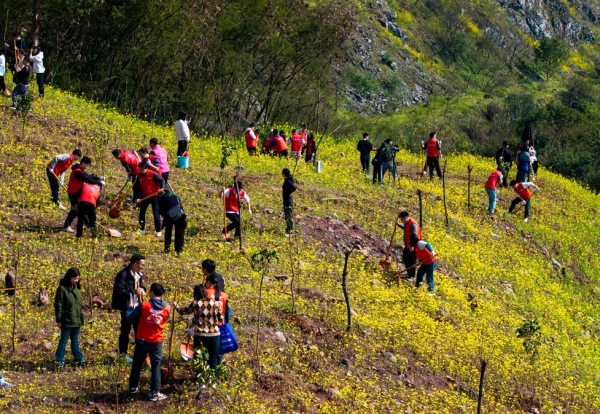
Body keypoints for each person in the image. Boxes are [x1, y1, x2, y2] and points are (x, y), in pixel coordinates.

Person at [127, 283, 169, 401]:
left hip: (142, 339)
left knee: (137, 364)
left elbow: (130, 317)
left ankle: (133, 387)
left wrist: (130, 307)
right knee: (156, 367)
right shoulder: (167, 307)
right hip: (157, 340)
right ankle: (154, 392)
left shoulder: (144, 305)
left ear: (152, 292)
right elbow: (165, 319)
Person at [175, 284, 224, 382]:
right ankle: (212, 381)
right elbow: (220, 319)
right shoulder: (215, 304)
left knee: (200, 358)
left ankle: (201, 381)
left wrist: (176, 306)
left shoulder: (195, 304)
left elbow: (183, 311)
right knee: (213, 359)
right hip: (214, 335)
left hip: (200, 335)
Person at [111, 253, 147, 362]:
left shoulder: (139, 275)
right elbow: (119, 291)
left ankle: (139, 354)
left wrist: (143, 290)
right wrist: (133, 292)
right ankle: (123, 355)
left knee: (139, 331)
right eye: (141, 264)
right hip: (127, 307)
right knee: (125, 331)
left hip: (137, 306)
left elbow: (142, 286)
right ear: (135, 264)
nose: (142, 266)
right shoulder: (123, 275)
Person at [63, 157, 104, 232]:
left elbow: (88, 176)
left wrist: (98, 178)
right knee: (75, 210)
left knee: (80, 209)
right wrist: (98, 183)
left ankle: (88, 225)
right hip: (74, 193)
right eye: (86, 165)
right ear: (83, 163)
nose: (86, 167)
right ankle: (66, 226)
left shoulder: (80, 170)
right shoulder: (77, 172)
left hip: (78, 192)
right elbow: (86, 179)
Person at [54, 267, 84, 367]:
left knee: (75, 340)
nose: (76, 280)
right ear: (69, 278)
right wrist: (58, 320)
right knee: (64, 340)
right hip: (67, 320)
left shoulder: (77, 288)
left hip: (76, 319)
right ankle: (59, 361)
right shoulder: (62, 289)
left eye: (78, 278)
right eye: (74, 278)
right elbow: (58, 305)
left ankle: (79, 359)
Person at [136, 162, 165, 236]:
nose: (141, 171)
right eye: (140, 169)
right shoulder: (139, 176)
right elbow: (138, 188)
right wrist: (138, 197)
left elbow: (162, 180)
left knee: (156, 213)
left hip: (154, 195)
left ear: (146, 168)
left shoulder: (152, 174)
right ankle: (142, 229)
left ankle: (158, 231)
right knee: (142, 213)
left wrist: (162, 188)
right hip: (145, 197)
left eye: (142, 169)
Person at [157, 189, 187, 254]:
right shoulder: (175, 196)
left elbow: (161, 211)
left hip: (170, 216)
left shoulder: (161, 198)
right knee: (180, 234)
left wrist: (164, 222)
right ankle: (179, 251)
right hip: (181, 215)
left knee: (168, 232)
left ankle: (167, 249)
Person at [399, 211, 421, 280]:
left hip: (413, 246)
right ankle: (410, 274)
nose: (402, 221)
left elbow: (414, 236)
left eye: (402, 220)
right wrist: (398, 224)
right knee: (405, 259)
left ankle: (412, 276)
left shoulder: (413, 224)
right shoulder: (407, 223)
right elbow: (405, 228)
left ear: (405, 217)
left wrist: (412, 246)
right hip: (408, 245)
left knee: (412, 261)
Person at [282, 168, 297, 234]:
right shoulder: (286, 180)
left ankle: (291, 230)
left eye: (282, 173)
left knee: (289, 214)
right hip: (286, 200)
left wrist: (289, 193)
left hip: (288, 200)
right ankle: (288, 229)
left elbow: (294, 187)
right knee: (287, 215)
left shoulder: (288, 181)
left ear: (284, 174)